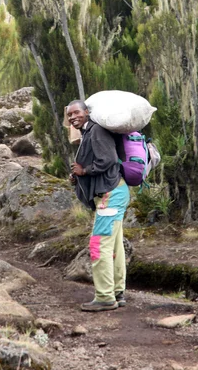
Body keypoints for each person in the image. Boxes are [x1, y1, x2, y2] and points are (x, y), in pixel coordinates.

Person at [66, 99, 130, 312]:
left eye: (76, 112)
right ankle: (118, 292)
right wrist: (78, 176)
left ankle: (104, 297)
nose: (73, 117)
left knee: (98, 244)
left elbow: (109, 159)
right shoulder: (88, 132)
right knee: (114, 245)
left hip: (109, 195)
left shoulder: (96, 131)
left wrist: (84, 171)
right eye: (69, 115)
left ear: (87, 112)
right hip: (115, 192)